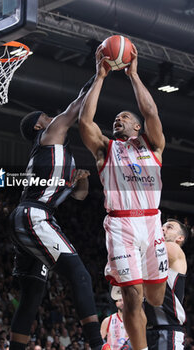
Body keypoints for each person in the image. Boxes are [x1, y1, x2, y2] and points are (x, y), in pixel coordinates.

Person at [79, 43, 168, 350]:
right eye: (115, 118)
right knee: (132, 297)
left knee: (155, 298)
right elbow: (84, 123)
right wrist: (100, 76)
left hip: (152, 223)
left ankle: (144, 289)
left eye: (124, 117)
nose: (118, 120)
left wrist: (133, 75)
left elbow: (151, 110)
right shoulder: (107, 150)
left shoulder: (153, 146)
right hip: (121, 226)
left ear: (137, 127)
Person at [9, 77, 107, 350]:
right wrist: (98, 73)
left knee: (31, 296)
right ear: (40, 125)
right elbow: (76, 107)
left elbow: (80, 196)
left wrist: (83, 180)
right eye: (46, 116)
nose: (52, 117)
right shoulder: (49, 135)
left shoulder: (57, 155)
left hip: (30, 216)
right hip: (34, 216)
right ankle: (98, 345)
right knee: (81, 276)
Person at [145, 219, 188, 350]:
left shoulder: (173, 248)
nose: (163, 229)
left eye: (169, 227)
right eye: (162, 226)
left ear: (180, 238)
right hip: (147, 330)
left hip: (167, 330)